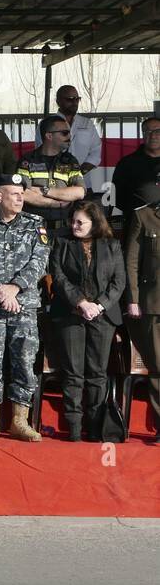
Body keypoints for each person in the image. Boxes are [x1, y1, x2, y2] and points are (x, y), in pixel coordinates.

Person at [0, 174, 51, 442]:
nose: (20, 198)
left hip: (23, 306)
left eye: (22, 193)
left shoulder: (35, 224)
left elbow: (40, 261)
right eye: (14, 193)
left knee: (25, 362)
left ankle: (20, 420)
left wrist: (14, 288)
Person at [50, 200, 123, 442]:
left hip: (103, 317)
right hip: (70, 314)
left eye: (80, 222)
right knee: (73, 373)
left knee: (97, 373)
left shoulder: (111, 245)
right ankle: (72, 428)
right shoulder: (62, 243)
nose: (75, 225)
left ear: (95, 222)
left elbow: (118, 282)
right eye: (72, 221)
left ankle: (95, 428)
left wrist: (99, 306)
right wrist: (81, 303)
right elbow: (58, 277)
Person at [123, 181, 160, 443]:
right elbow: (132, 261)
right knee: (158, 366)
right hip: (153, 303)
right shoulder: (143, 215)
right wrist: (133, 299)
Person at [16, 116, 85, 230]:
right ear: (49, 136)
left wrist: (44, 191)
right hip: (33, 227)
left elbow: (80, 191)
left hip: (64, 227)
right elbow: (24, 193)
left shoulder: (70, 161)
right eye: (64, 133)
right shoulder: (28, 160)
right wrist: (55, 203)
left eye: (69, 132)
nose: (69, 136)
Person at [110, 118, 160, 221]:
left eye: (158, 131)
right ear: (143, 134)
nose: (153, 136)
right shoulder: (127, 163)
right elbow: (116, 197)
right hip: (137, 224)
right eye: (148, 131)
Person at [55, 84, 102, 188]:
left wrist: (79, 172)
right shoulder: (47, 124)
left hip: (83, 183)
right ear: (58, 101)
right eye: (70, 99)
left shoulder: (87, 123)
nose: (74, 102)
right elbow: (42, 151)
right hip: (56, 183)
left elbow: (96, 152)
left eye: (77, 99)